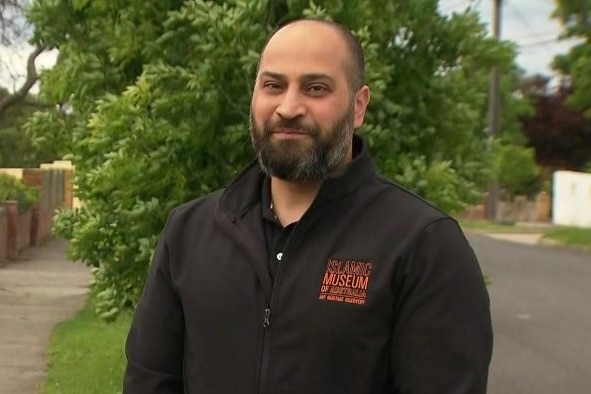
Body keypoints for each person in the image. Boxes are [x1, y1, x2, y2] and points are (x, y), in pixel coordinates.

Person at [123, 18, 493, 394]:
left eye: (316, 88)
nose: (288, 107)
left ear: (359, 105)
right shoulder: (190, 232)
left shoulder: (422, 245)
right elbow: (149, 381)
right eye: (273, 85)